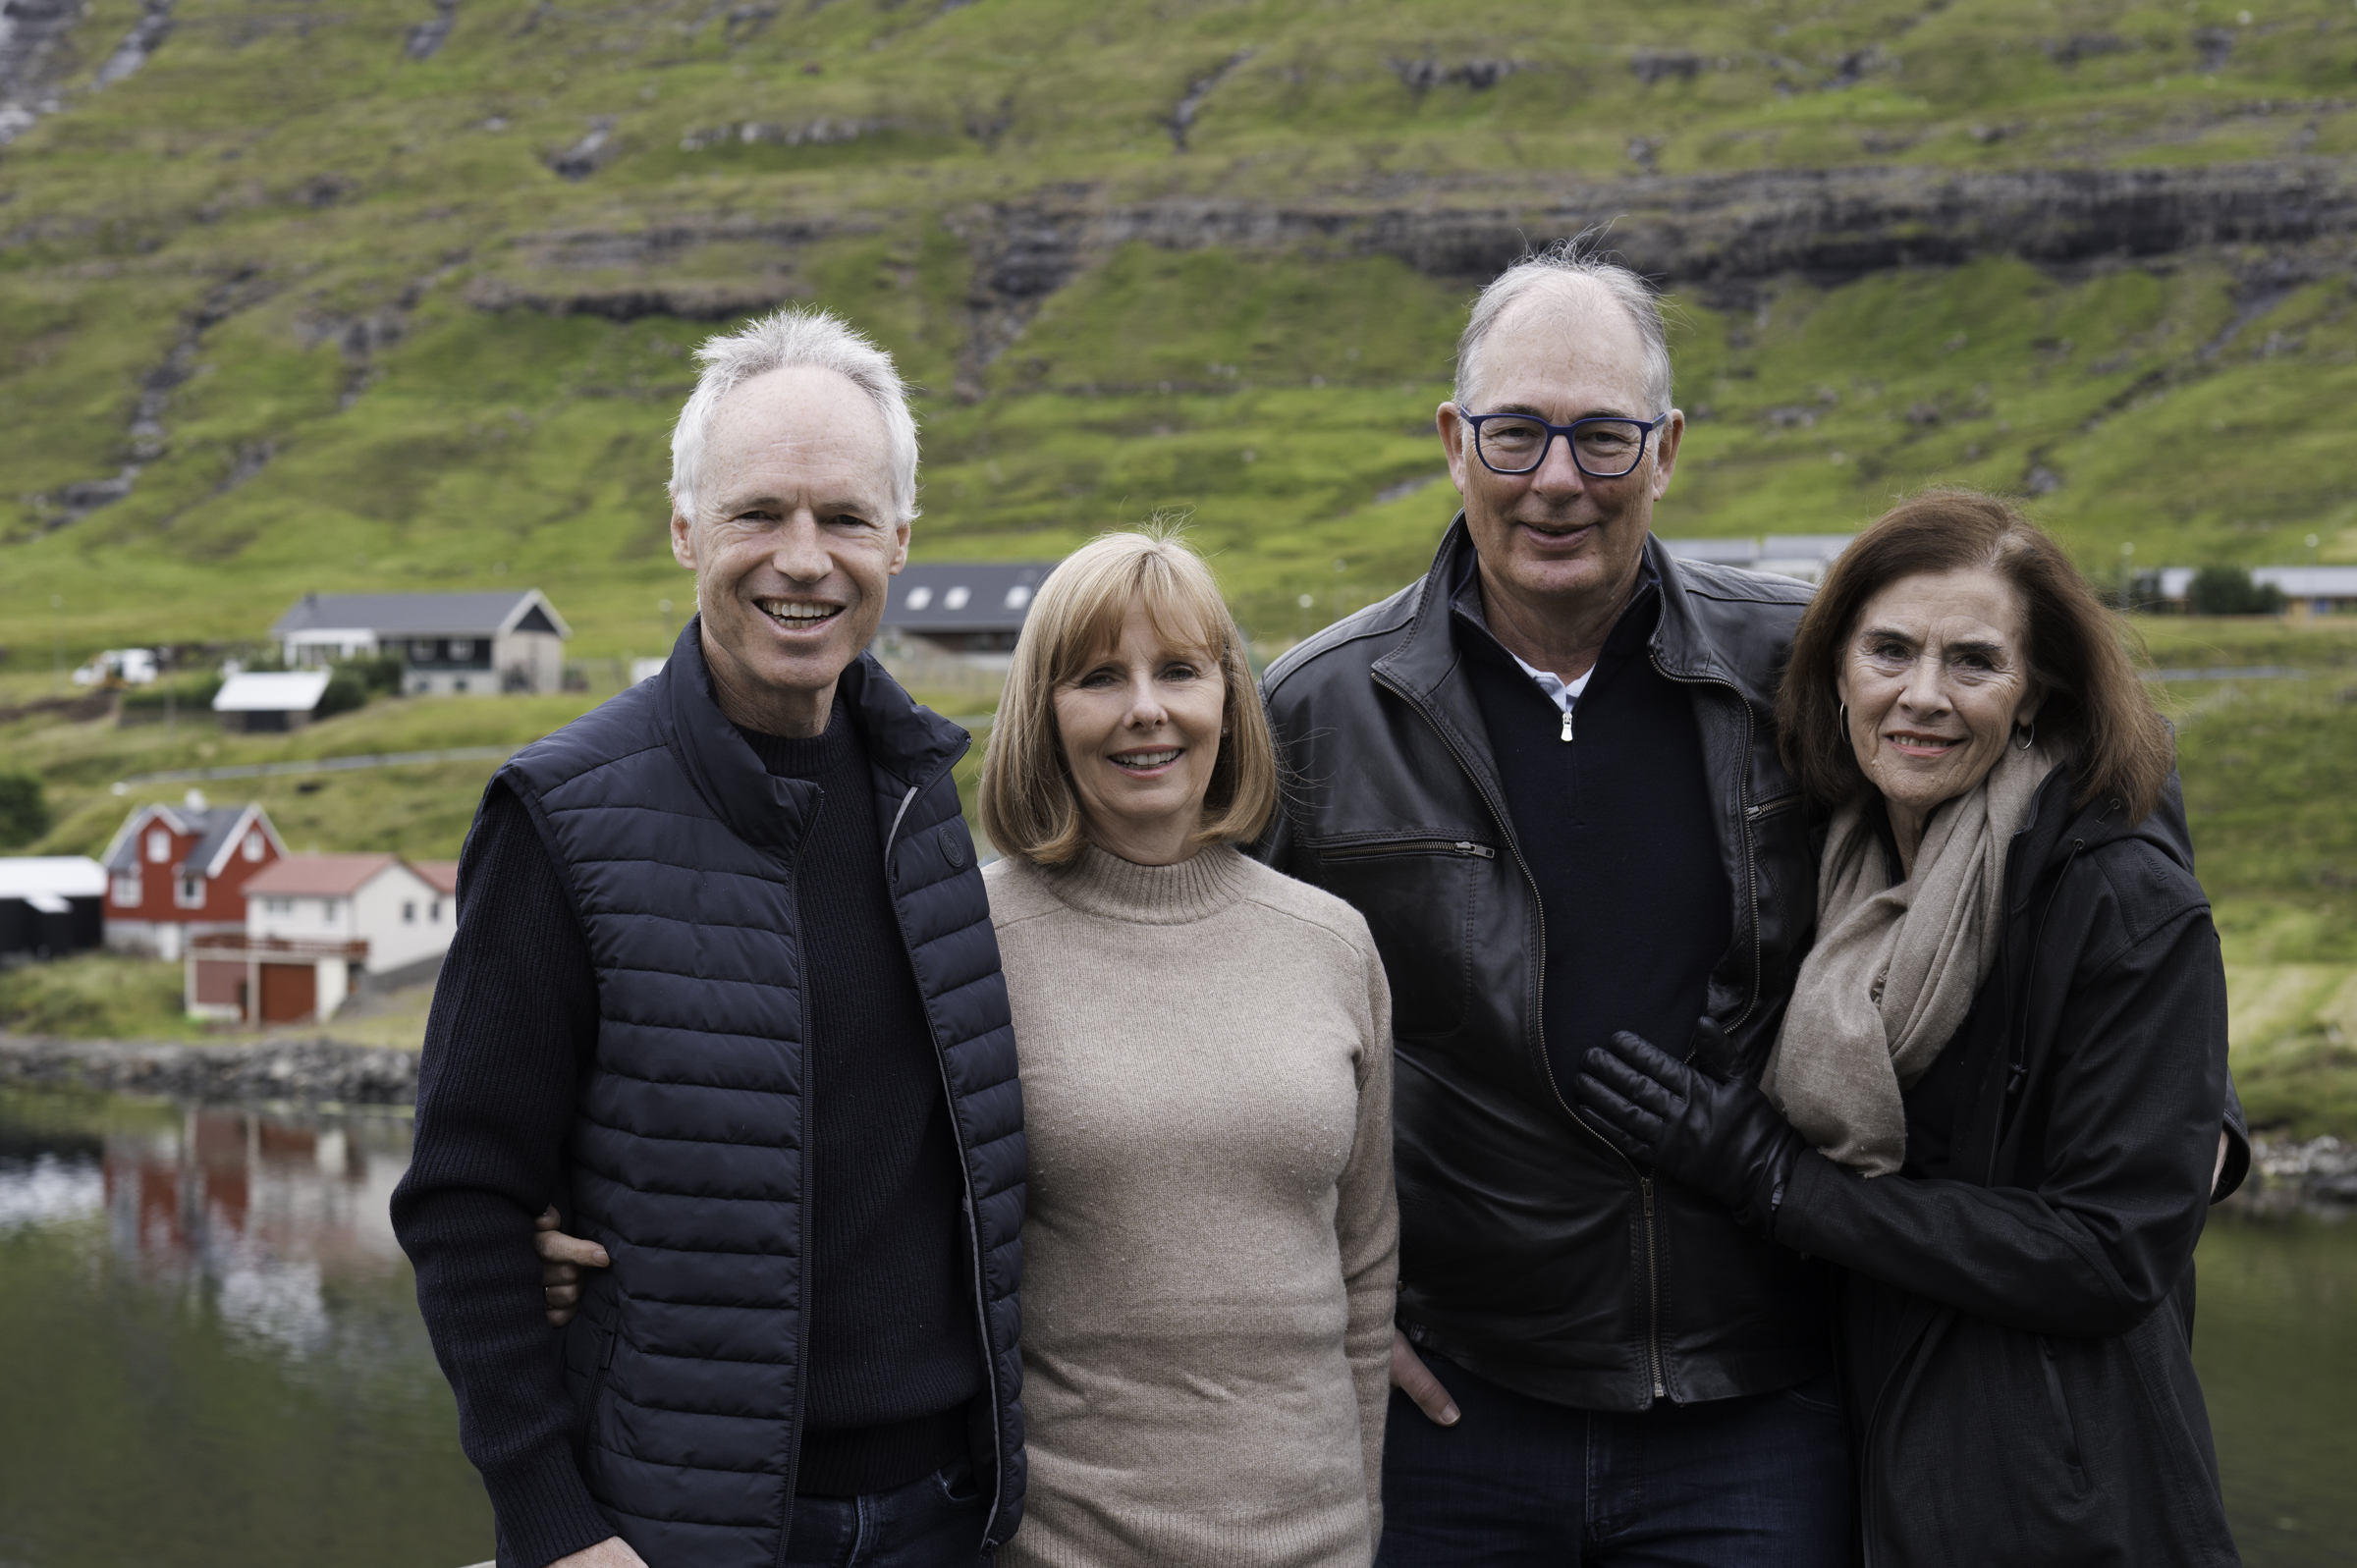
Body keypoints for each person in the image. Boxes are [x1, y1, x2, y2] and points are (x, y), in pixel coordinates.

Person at [546, 529, 1398, 1565]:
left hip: (1316, 1542)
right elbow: (808, 1149)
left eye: (1179, 670)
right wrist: (567, 1229)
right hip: (1056, 1543)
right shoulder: (960, 933)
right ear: (1043, 710)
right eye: (1097, 677)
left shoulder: (1331, 943)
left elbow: (1364, 1268)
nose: (1146, 709)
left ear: (1229, 696)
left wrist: (1363, 1523)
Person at [390, 307, 1026, 1568]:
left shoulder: (924, 792)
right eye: (758, 514)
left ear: (902, 538)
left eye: (845, 518)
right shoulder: (561, 817)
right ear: (686, 528)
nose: (803, 559)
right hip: (688, 1531)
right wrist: (556, 1526)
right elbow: (464, 1196)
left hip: (948, 1516)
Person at [1258, 240, 1851, 1563]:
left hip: (1756, 1405)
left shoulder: (1801, 663)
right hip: (1456, 1413)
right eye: (1518, 434)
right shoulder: (1313, 709)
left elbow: (2049, 768)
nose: (1558, 483)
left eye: (1603, 437)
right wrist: (1325, 1314)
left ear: (1670, 447)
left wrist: (2177, 1114)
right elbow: (1200, 1010)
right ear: (1454, 442)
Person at [1573, 491, 2246, 1567]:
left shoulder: (2115, 891)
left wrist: (1774, 1178)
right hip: (1862, 1449)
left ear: (2037, 693)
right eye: (1888, 650)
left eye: (1974, 661)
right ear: (1835, 664)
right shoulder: (1835, 854)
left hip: (2062, 1496)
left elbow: (2110, 1254)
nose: (1921, 696)